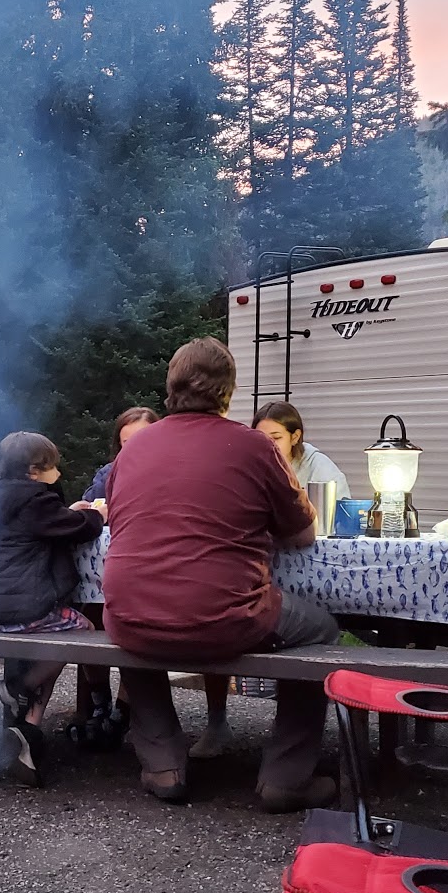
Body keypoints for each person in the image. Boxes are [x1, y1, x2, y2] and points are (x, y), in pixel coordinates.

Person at [102, 337, 340, 811]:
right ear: (227, 393)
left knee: (137, 620)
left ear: (169, 389)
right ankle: (285, 776)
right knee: (323, 629)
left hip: (129, 610)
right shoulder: (254, 447)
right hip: (227, 613)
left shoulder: (132, 450)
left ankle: (163, 762)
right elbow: (303, 533)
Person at [0, 431, 105, 786]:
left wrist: (65, 510)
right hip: (25, 607)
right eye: (53, 468)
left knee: (54, 636)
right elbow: (80, 530)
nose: (58, 475)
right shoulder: (35, 502)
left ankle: (28, 729)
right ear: (34, 471)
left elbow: (50, 520)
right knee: (83, 631)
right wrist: (97, 515)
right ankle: (21, 686)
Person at [69, 406, 158, 751]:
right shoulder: (109, 473)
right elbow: (93, 506)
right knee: (88, 613)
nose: (131, 450)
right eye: (125, 443)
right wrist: (85, 509)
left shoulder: (169, 473)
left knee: (136, 622)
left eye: (140, 440)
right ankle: (100, 702)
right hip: (104, 573)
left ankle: (123, 710)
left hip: (146, 574)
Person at [253, 401, 351, 499]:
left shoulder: (321, 469)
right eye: (261, 438)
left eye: (276, 438)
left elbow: (341, 510)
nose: (267, 445)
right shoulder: (249, 466)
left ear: (295, 437)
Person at [83, 407, 159, 502]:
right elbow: (91, 505)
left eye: (142, 441)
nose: (134, 448)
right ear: (119, 444)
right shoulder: (108, 474)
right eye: (127, 443)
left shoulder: (170, 471)